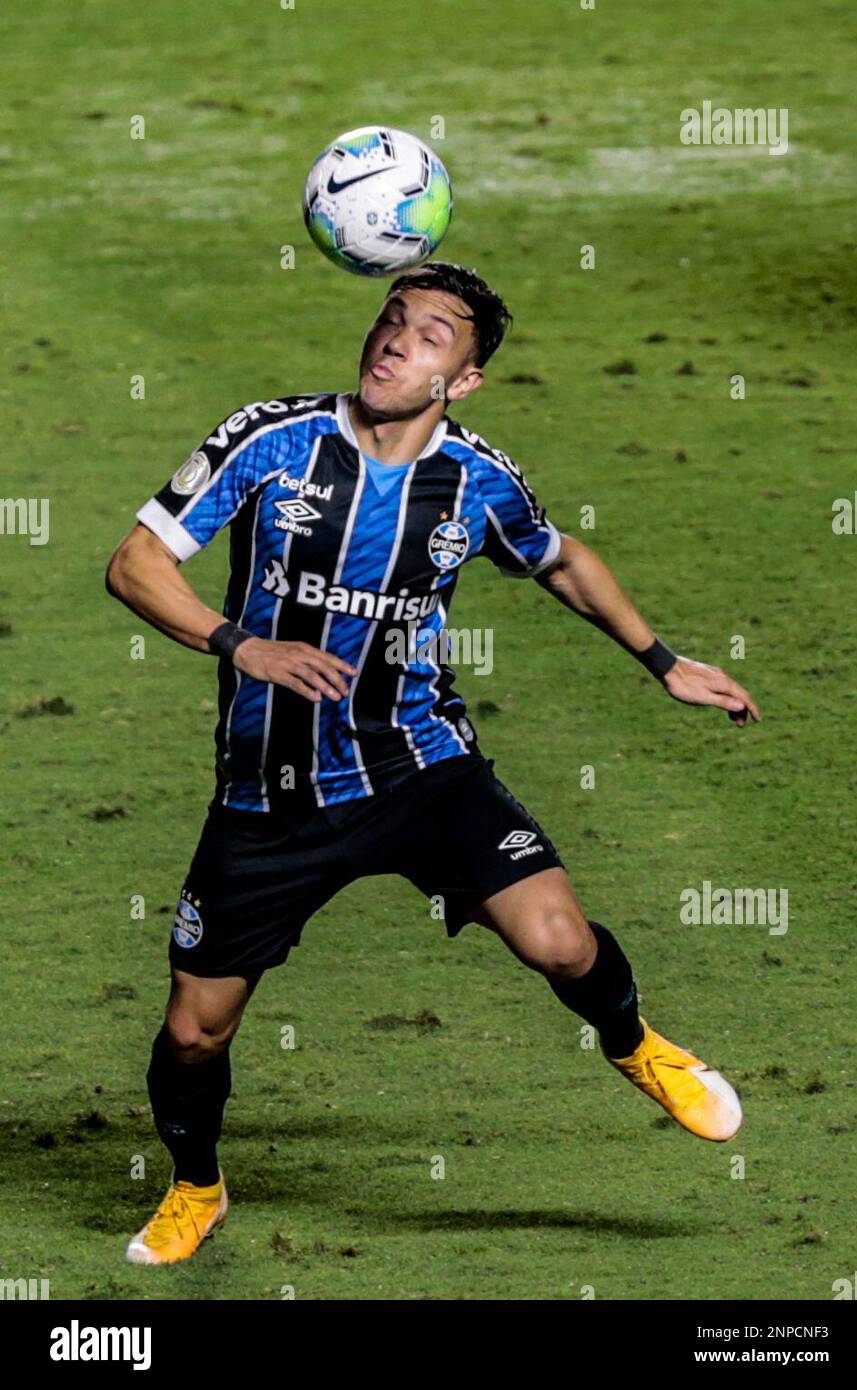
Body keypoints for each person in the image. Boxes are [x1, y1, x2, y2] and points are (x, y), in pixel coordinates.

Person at [106, 261, 761, 1265]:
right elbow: (135, 564)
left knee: (561, 942)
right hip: (271, 796)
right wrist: (239, 643)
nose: (396, 341)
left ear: (463, 379)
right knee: (195, 1033)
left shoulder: (478, 479)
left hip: (422, 767)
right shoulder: (270, 440)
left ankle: (634, 1042)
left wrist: (663, 660)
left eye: (431, 335)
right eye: (391, 319)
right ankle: (198, 1186)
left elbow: (563, 560)